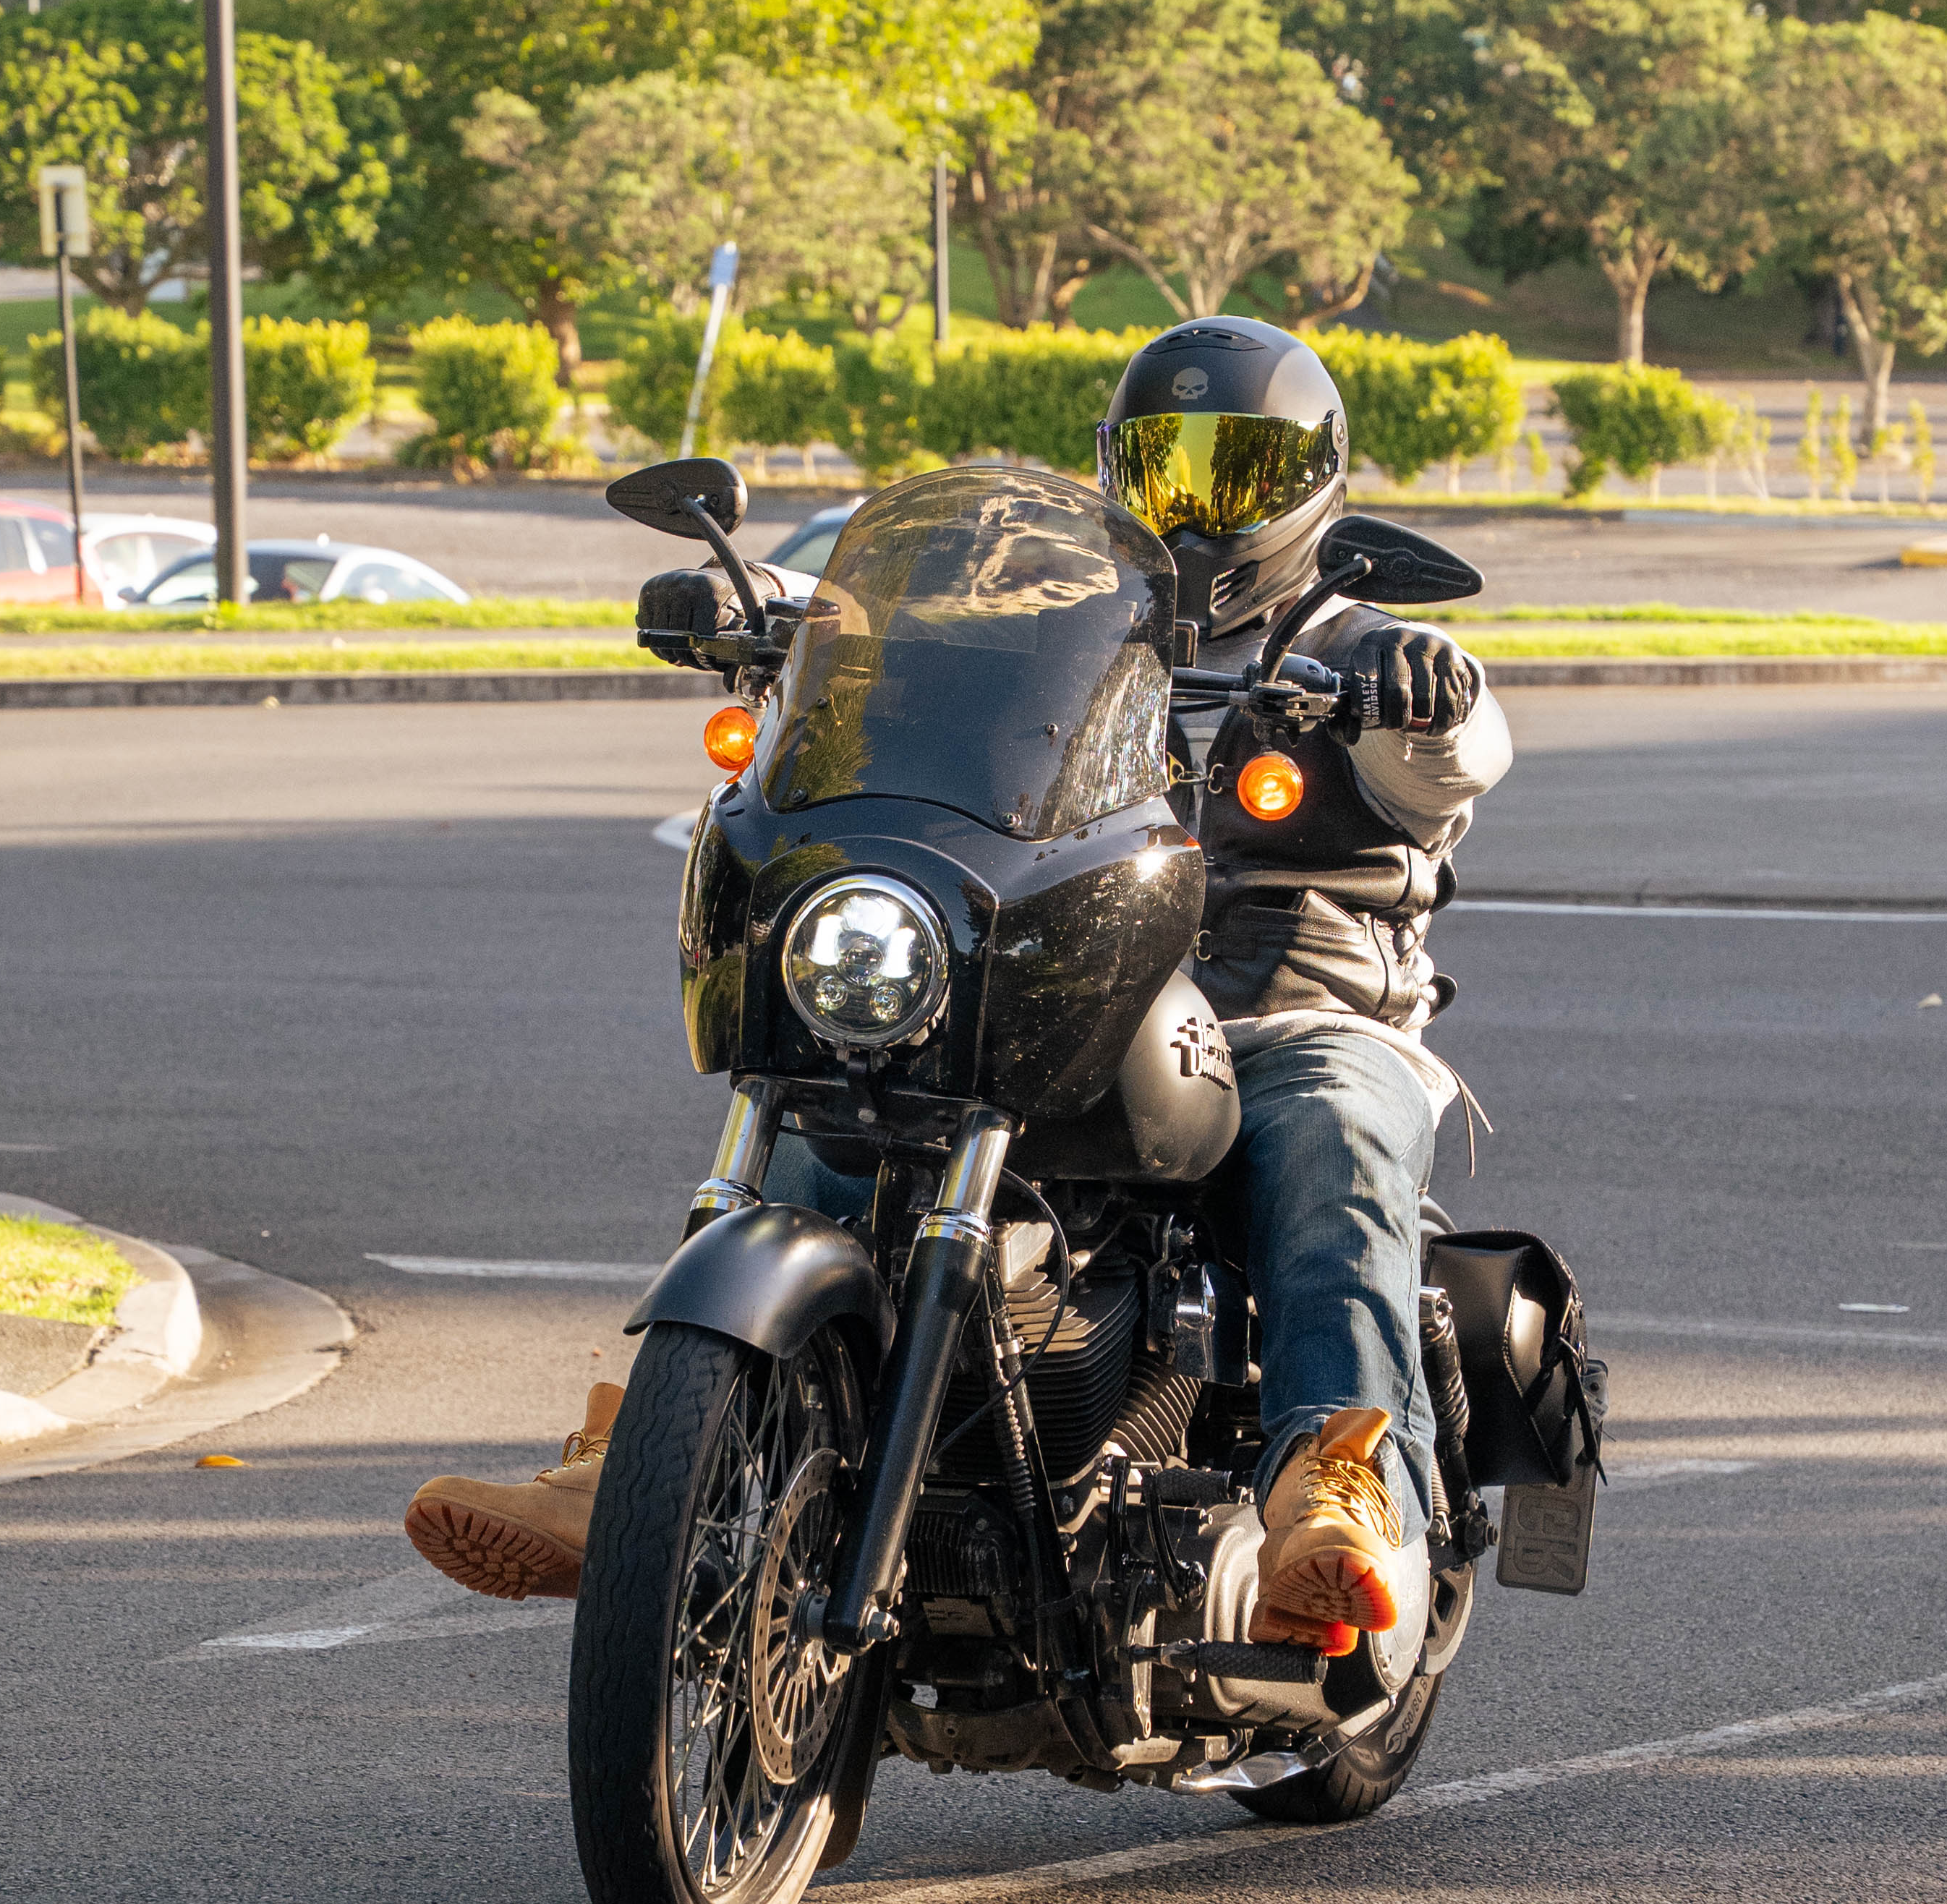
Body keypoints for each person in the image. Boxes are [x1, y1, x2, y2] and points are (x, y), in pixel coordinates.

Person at [405, 315, 1510, 1654]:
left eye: (1242, 471)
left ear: (1314, 480)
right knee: (839, 1092)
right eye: (1168, 465)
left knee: (1338, 1133)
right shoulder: (1079, 613)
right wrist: (770, 612)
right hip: (1078, 993)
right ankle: (647, 1458)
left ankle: (1332, 1493)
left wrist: (1433, 693)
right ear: (1117, 465)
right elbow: (906, 645)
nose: (1201, 506)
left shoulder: (1371, 650)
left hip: (1288, 1018)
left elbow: (1460, 754)